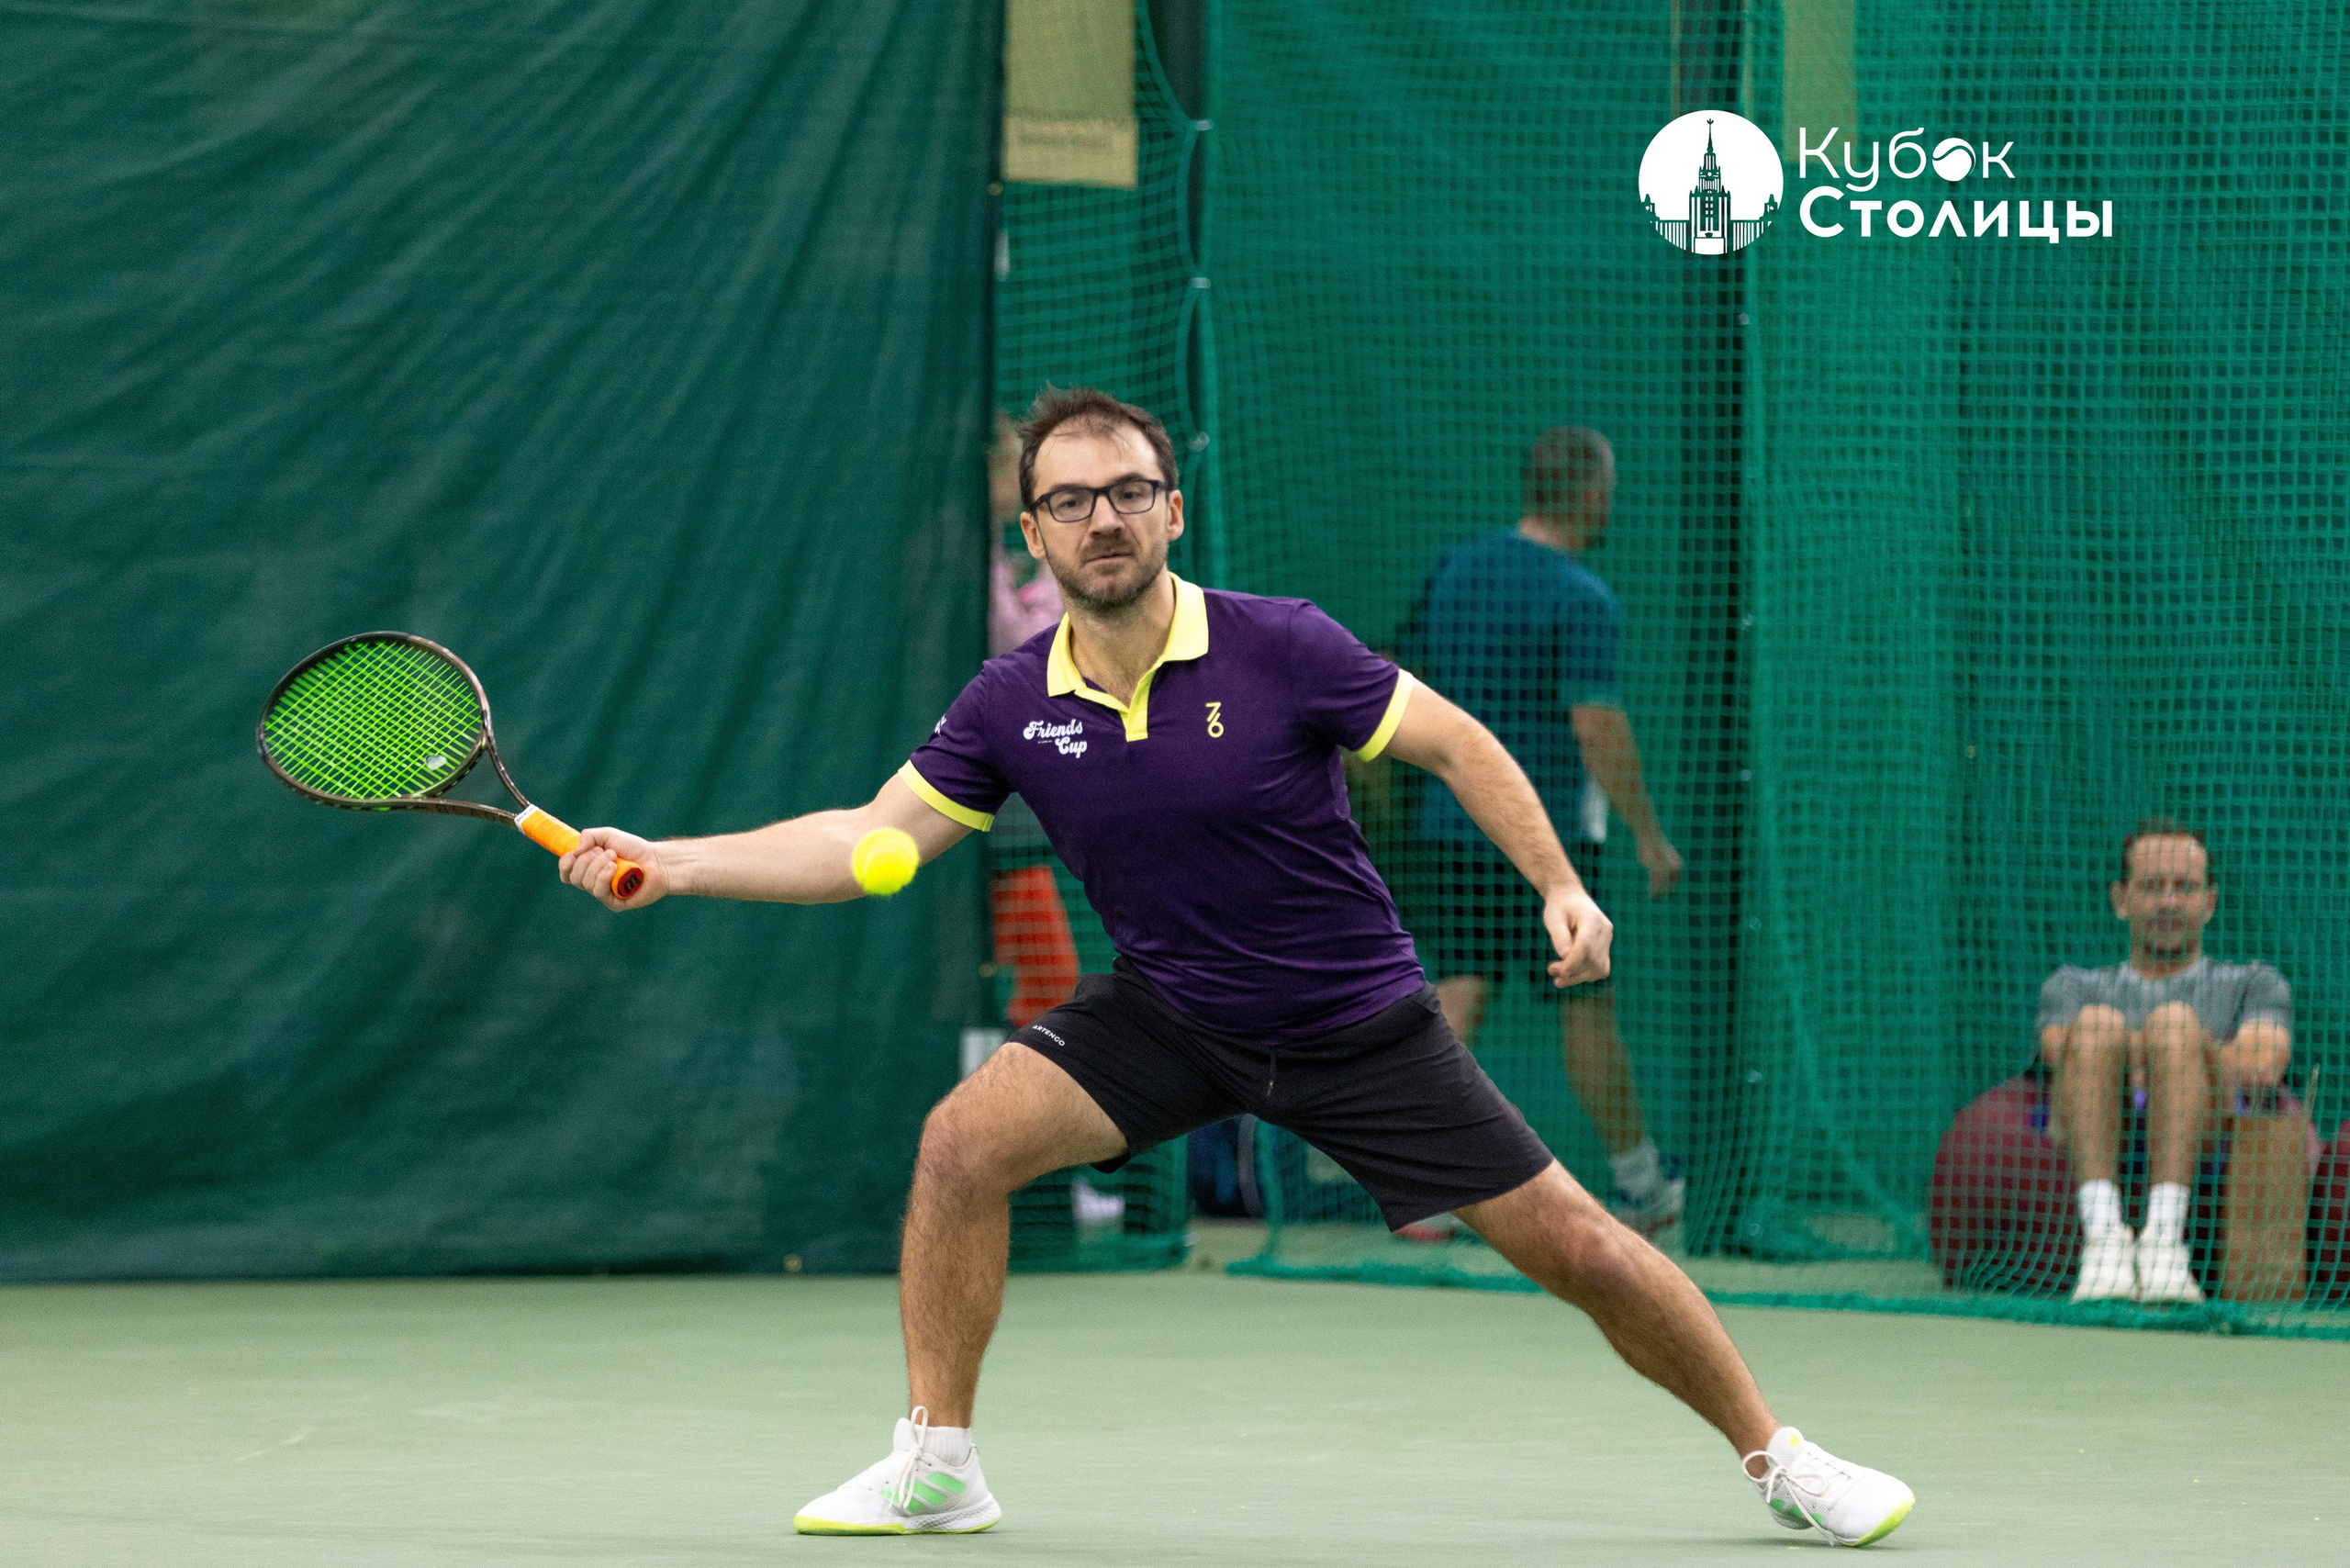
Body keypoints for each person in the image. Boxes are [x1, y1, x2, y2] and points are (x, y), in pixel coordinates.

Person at [555, 386, 1913, 1547]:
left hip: (1357, 1021)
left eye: (1129, 493)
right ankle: (938, 1468)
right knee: (963, 1144)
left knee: (1585, 1252)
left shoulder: (1280, 644)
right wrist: (671, 860)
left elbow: (1456, 742)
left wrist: (1561, 886)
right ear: (1031, 530)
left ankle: (1781, 1458)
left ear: (1172, 512)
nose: (1103, 519)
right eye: (1071, 500)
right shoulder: (1010, 703)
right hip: (1171, 1012)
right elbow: (866, 837)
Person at [1398, 426, 1685, 1236]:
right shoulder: (1582, 597)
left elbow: (1400, 676)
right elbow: (1598, 726)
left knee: (1458, 989)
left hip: (1451, 826)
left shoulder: (1453, 571)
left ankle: (1421, 1192)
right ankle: (1643, 1187)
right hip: (1543, 841)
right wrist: (1649, 837)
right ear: (1593, 496)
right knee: (1586, 1006)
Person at [2038, 817, 2291, 1304]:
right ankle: (2104, 1241)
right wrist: (2171, 1052)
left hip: (2212, 1127)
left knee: (2170, 1025)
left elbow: (2262, 1064)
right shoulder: (2072, 985)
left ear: (2210, 902)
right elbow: (2058, 1050)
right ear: (2120, 899)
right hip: (2091, 1123)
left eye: (2185, 888)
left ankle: (2164, 1240)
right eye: (2152, 887)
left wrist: (2171, 1047)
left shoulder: (2254, 982)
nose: (2169, 902)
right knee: (2096, 1028)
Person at [984, 411, 1081, 1031]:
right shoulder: (950, 553)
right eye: (1010, 463)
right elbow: (1024, 649)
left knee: (1051, 991)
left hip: (1010, 827)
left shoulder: (992, 552)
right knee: (1046, 992)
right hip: (969, 816)